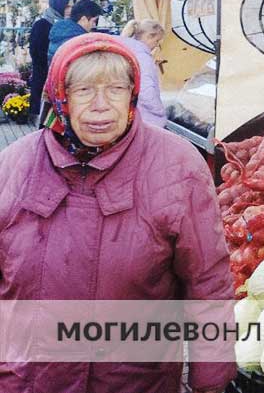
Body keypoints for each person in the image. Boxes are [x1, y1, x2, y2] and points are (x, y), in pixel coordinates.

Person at [0, 33, 235, 393]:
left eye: (115, 89)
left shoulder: (177, 166)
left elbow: (207, 282)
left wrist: (211, 377)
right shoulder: (15, 165)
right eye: (83, 91)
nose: (101, 106)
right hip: (27, 380)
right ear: (60, 96)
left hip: (134, 382)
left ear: (133, 95)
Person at [28, 0, 74, 117]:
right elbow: (35, 52)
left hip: (59, 75)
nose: (70, 10)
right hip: (44, 74)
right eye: (67, 6)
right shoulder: (42, 25)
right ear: (58, 6)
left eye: (71, 6)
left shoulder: (69, 26)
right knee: (43, 116)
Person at [119, 19, 168, 127]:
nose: (157, 46)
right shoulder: (143, 58)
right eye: (157, 41)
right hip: (147, 120)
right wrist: (160, 111)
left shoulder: (127, 51)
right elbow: (145, 90)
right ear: (148, 36)